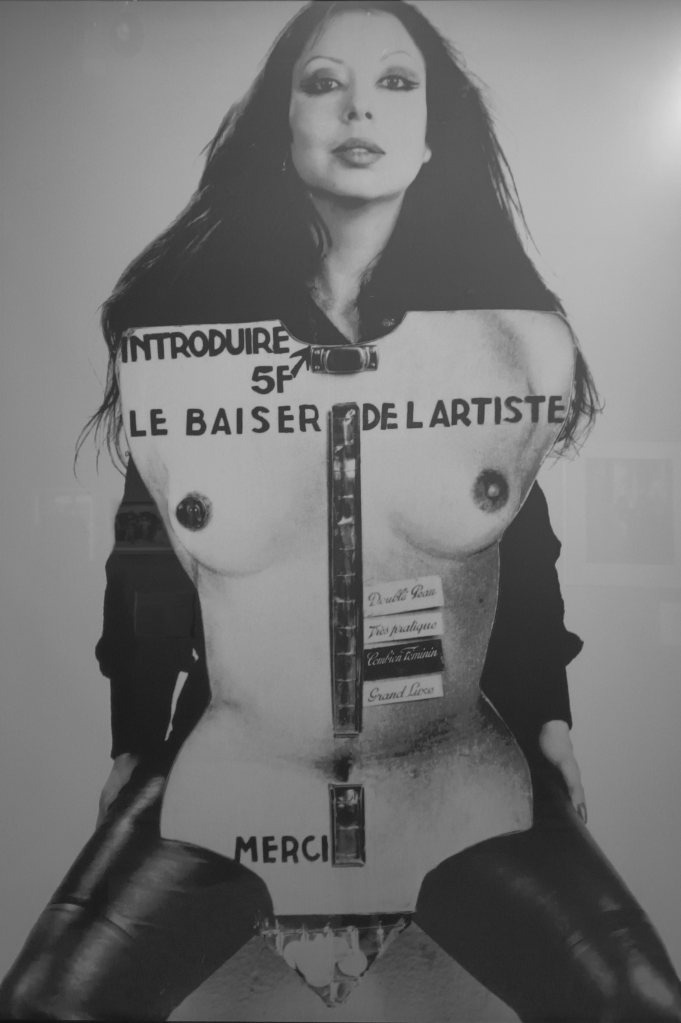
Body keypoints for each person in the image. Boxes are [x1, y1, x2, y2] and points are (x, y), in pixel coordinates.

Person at [2, 2, 680, 1019]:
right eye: (323, 81)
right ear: (282, 127)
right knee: (43, 1003)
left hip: (458, 777)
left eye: (396, 82)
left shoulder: (510, 344)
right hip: (233, 776)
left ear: (432, 133)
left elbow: (522, 543)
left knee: (641, 1005)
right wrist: (133, 738)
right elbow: (142, 561)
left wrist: (549, 718)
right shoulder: (186, 342)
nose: (359, 107)